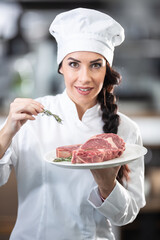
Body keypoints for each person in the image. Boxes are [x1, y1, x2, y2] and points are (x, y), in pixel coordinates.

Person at [0, 8, 145, 240]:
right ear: (61, 67)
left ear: (107, 69)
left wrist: (107, 186)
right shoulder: (31, 117)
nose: (85, 77)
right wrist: (7, 131)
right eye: (74, 64)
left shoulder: (126, 130)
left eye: (95, 65)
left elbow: (126, 216)